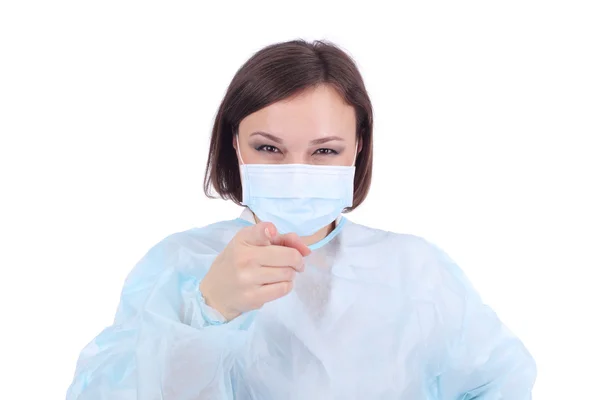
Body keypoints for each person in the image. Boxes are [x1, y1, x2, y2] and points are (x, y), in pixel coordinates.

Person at [66, 39, 536, 399]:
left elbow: (500, 380)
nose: (296, 173)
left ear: (358, 148)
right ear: (236, 145)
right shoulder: (179, 266)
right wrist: (206, 311)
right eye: (268, 148)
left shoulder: (416, 271)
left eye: (325, 151)